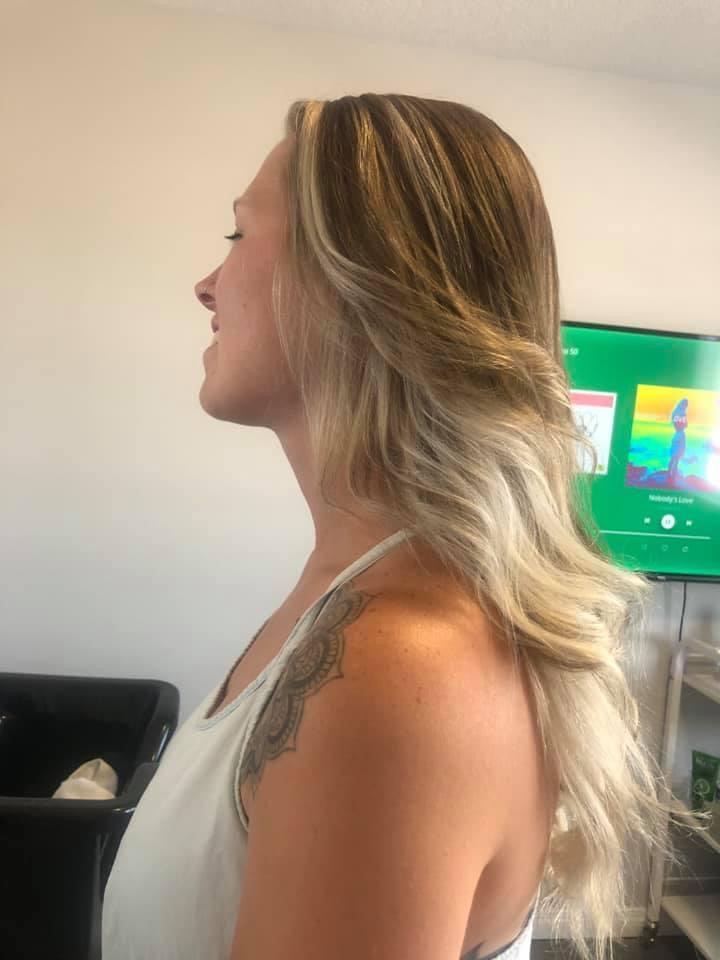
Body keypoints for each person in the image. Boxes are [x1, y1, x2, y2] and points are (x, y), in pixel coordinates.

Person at [101, 94, 670, 960]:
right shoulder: (362, 596)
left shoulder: (400, 668)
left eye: (238, 235)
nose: (206, 284)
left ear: (359, 283)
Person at [667, 398, 689, 485]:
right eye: (686, 405)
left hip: (675, 435)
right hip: (680, 435)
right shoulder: (682, 413)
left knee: (673, 457)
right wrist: (684, 422)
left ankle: (669, 474)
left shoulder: (675, 411)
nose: (686, 407)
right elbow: (686, 425)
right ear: (684, 405)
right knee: (677, 458)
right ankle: (673, 478)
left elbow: (674, 423)